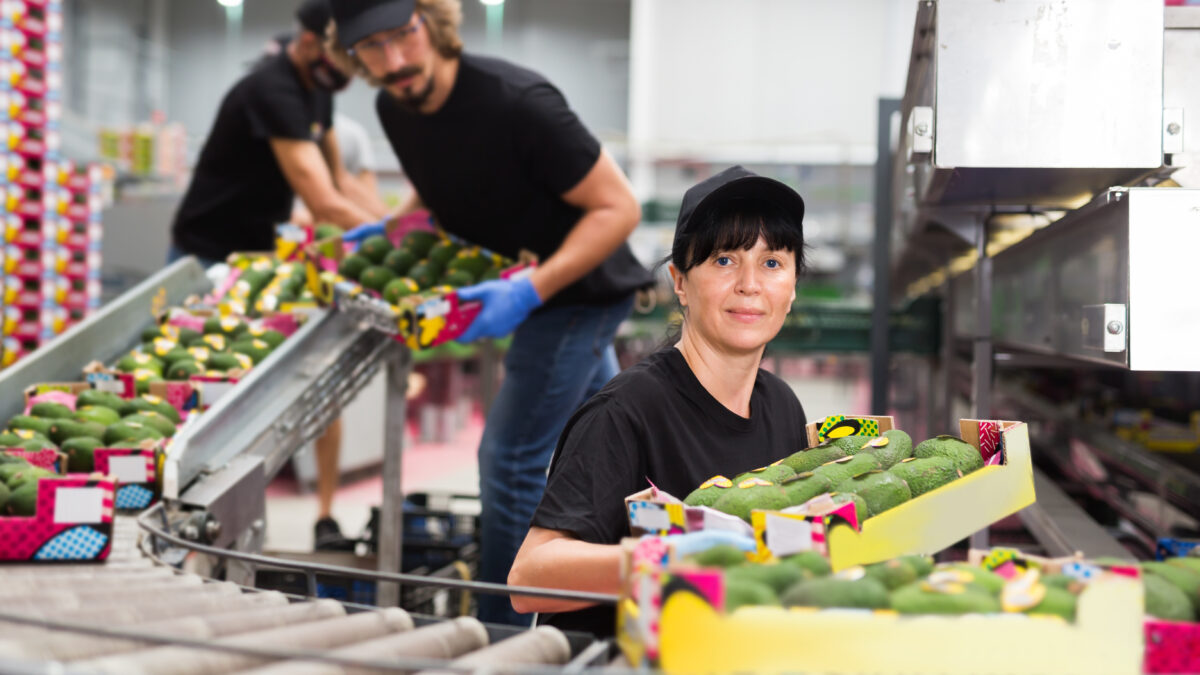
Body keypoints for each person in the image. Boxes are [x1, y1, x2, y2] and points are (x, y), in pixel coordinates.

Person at [328, 0, 654, 625]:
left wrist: (531, 289)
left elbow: (618, 208)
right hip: (532, 287)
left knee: (509, 459)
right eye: (372, 47)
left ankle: (501, 633)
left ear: (432, 22)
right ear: (354, 56)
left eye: (403, 35)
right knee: (609, 439)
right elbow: (440, 175)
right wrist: (396, 228)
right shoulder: (394, 107)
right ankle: (611, 587)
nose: (394, 61)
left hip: (576, 291)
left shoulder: (518, 102)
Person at [508, 166, 810, 637]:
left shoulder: (783, 407)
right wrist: (663, 560)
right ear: (680, 282)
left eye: (772, 263)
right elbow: (528, 578)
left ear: (792, 289)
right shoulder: (627, 411)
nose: (750, 284)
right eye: (724, 260)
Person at [167, 0, 387, 550]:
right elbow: (319, 196)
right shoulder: (272, 88)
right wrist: (404, 239)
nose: (350, 71)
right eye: (345, 56)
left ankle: (322, 514)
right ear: (312, 43)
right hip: (206, 259)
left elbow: (341, 181)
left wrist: (397, 223)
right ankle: (179, 517)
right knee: (196, 384)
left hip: (259, 259)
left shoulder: (317, 89)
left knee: (301, 391)